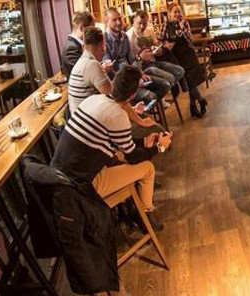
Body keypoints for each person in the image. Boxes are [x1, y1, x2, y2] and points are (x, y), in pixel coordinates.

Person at [52, 66, 172, 231]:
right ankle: (144, 215)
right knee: (148, 168)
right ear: (132, 95)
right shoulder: (118, 115)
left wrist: (145, 143)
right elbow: (133, 157)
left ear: (113, 83)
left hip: (58, 181)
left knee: (121, 158)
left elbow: (119, 144)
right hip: (81, 189)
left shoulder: (92, 100)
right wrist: (159, 147)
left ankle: (133, 207)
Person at [103, 8, 170, 105]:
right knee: (151, 96)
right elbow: (110, 70)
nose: (118, 22)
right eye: (114, 20)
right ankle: (139, 110)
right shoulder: (104, 40)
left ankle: (146, 109)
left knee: (165, 85)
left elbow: (132, 60)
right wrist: (132, 82)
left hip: (131, 76)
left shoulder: (124, 36)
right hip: (120, 85)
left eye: (120, 19)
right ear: (106, 21)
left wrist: (140, 74)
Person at [161, 3, 209, 118]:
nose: (178, 14)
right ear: (169, 13)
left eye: (179, 12)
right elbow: (160, 40)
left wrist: (182, 27)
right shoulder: (165, 26)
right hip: (176, 58)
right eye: (175, 12)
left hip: (188, 54)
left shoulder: (184, 23)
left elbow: (189, 39)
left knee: (192, 81)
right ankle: (201, 100)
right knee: (188, 81)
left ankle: (193, 106)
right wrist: (166, 44)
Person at [127, 10, 185, 93]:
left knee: (180, 71)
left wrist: (158, 50)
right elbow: (129, 61)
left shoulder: (149, 30)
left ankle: (165, 87)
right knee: (171, 78)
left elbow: (155, 45)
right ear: (134, 21)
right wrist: (140, 57)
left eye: (144, 23)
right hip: (141, 67)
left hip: (153, 62)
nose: (142, 26)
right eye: (139, 23)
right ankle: (163, 88)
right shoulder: (129, 37)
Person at [67, 27, 112, 114]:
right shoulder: (92, 64)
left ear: (84, 46)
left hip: (79, 116)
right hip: (86, 119)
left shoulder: (83, 61)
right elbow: (113, 95)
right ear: (102, 45)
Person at [61, 11, 95, 78]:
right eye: (92, 28)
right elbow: (81, 74)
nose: (94, 32)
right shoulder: (71, 48)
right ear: (82, 28)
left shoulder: (80, 44)